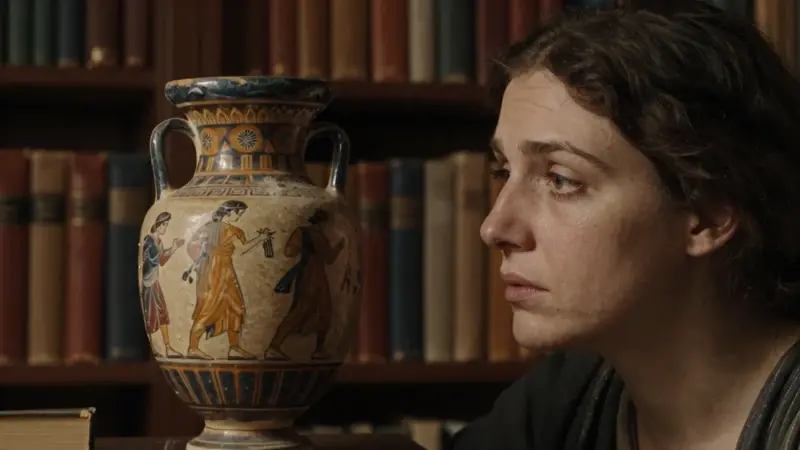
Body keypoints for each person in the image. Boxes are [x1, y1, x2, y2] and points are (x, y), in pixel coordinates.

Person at [452, 2, 800, 449]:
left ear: (709, 216)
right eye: (503, 170)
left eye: (560, 180)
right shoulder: (567, 398)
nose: (494, 227)